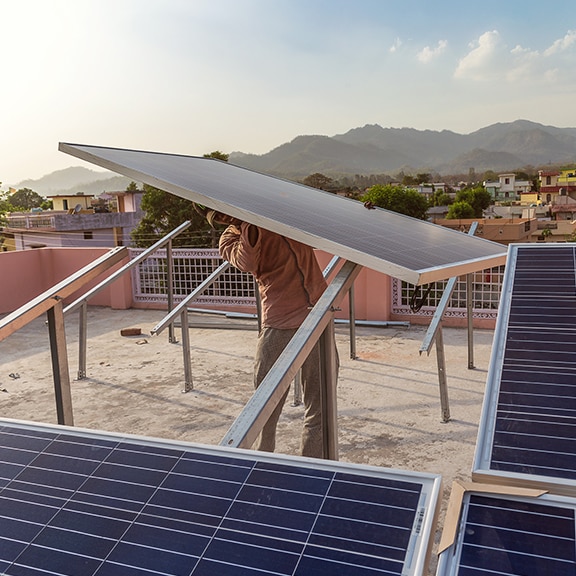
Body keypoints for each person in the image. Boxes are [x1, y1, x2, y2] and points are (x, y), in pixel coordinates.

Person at [196, 206, 336, 458]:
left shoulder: (278, 215)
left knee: (320, 406)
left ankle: (311, 468)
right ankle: (264, 461)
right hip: (280, 322)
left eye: (222, 211)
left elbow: (320, 219)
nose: (224, 218)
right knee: (264, 406)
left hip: (317, 316)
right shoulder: (229, 238)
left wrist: (361, 215)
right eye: (217, 218)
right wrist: (249, 224)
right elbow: (246, 261)